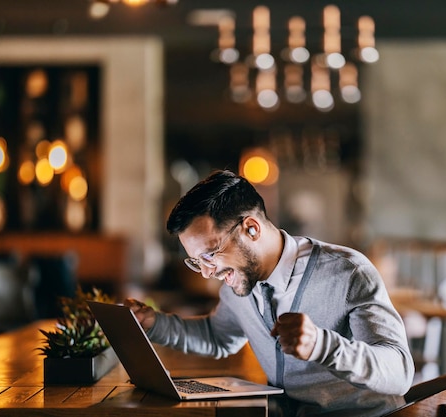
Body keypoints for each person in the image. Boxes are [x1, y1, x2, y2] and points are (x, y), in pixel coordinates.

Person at [126, 170, 414, 416]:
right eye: (197, 261)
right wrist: (154, 324)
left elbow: (399, 371)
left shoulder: (348, 271)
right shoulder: (238, 283)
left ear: (251, 228)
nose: (206, 272)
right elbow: (218, 337)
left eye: (211, 255)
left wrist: (322, 345)